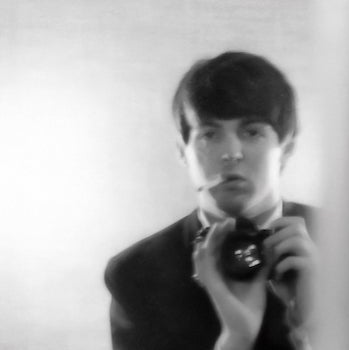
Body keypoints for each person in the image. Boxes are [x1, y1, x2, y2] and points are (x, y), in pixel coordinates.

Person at [104, 51, 318, 350]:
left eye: (252, 132)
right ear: (182, 151)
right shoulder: (138, 274)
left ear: (286, 146)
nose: (231, 152)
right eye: (209, 134)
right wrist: (236, 339)